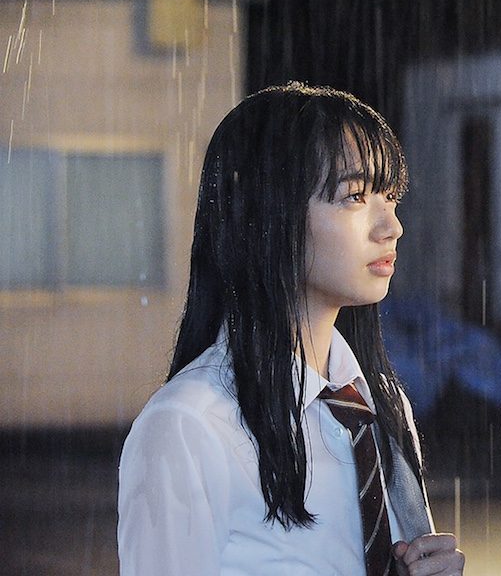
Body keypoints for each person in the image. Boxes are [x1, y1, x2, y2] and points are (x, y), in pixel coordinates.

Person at [118, 83, 464, 576]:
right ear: (268, 212)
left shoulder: (379, 406)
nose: (391, 226)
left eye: (390, 197)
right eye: (354, 196)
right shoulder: (188, 426)